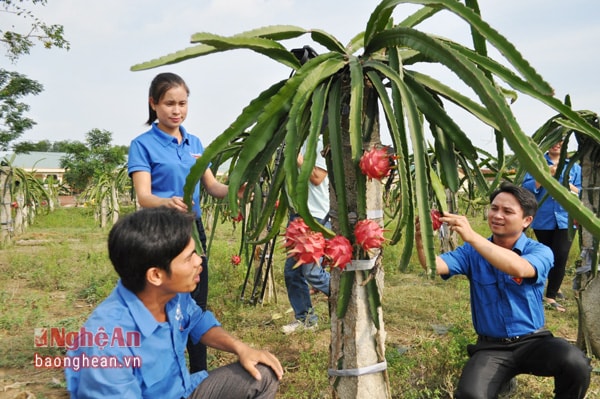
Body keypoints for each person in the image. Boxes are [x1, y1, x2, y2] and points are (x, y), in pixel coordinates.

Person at [64, 207, 283, 398]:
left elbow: (197, 322)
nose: (199, 262)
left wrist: (240, 348)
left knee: (261, 374)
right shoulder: (106, 345)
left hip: (183, 391)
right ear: (156, 275)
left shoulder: (173, 294)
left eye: (196, 253)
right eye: (189, 258)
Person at [415, 182, 591, 399]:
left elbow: (518, 267)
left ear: (527, 221)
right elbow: (435, 265)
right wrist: (421, 240)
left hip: (533, 341)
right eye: (494, 208)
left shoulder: (540, 251)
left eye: (507, 211)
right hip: (492, 348)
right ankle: (503, 380)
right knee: (471, 395)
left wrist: (472, 236)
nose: (497, 215)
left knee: (575, 363)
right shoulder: (472, 252)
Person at [128, 72, 240, 372]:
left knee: (196, 305)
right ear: (153, 104)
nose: (176, 110)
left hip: (192, 232)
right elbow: (143, 195)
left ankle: (199, 374)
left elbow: (214, 187)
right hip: (159, 232)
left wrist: (240, 187)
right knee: (161, 305)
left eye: (182, 103)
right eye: (168, 104)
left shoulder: (196, 143)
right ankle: (160, 372)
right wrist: (167, 202)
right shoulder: (142, 144)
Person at [523, 139, 581, 312]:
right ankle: (555, 285)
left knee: (562, 254)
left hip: (567, 218)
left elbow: (582, 191)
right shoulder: (535, 162)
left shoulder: (574, 167)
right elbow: (526, 188)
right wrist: (543, 176)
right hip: (544, 218)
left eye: (561, 141)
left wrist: (564, 183)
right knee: (547, 256)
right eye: (554, 140)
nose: (556, 144)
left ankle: (550, 296)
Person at [281, 137, 331, 334]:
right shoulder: (293, 140)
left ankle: (348, 297)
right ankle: (306, 320)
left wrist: (298, 159)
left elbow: (318, 178)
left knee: (312, 272)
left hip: (315, 217)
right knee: (292, 272)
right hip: (297, 215)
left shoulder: (318, 141)